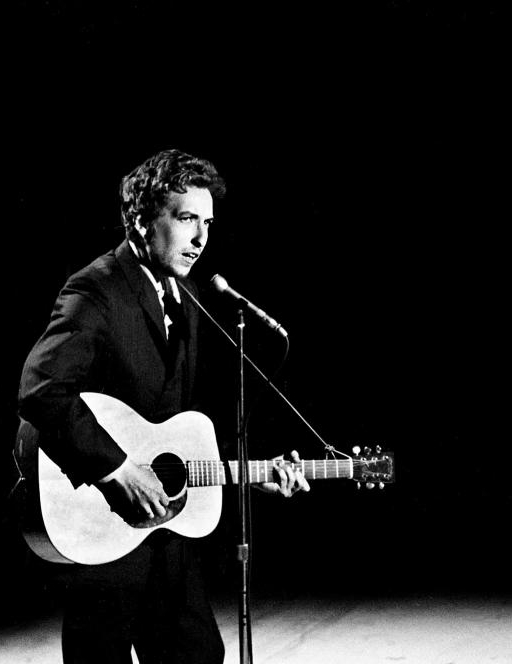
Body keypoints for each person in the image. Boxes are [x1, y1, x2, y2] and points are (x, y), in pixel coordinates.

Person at [18, 148, 309, 663]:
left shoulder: (188, 295)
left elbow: (170, 430)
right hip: (102, 528)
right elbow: (42, 388)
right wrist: (116, 470)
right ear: (140, 218)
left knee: (196, 655)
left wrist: (247, 472)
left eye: (208, 223)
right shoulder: (97, 289)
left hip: (165, 538)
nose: (201, 239)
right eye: (185, 219)